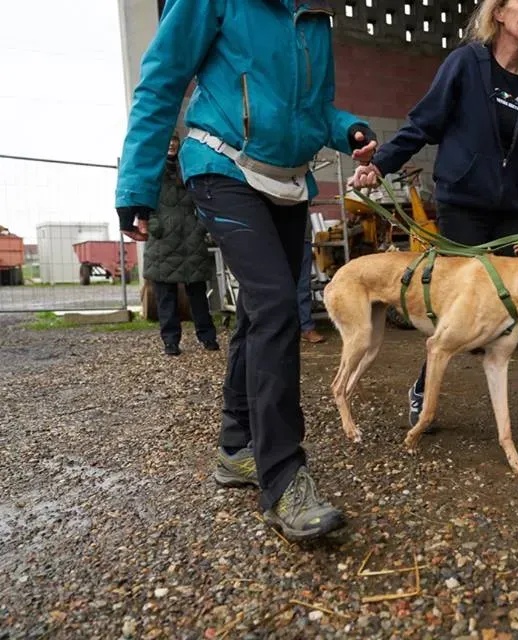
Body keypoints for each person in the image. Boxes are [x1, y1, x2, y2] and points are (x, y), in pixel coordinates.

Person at [114, 0, 377, 543]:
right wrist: (137, 183)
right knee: (279, 305)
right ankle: (283, 479)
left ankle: (236, 449)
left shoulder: (315, 17)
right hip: (221, 164)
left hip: (286, 180)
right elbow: (162, 80)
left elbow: (313, 110)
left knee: (262, 309)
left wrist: (348, 128)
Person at [349, 0, 518, 450]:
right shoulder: (465, 64)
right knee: (453, 310)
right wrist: (380, 165)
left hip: (516, 218)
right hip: (463, 208)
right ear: (498, 12)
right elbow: (422, 124)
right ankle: (422, 391)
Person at [144, 133, 220, 356]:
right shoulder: (152, 170)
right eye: (167, 139)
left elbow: (205, 197)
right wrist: (154, 224)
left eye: (174, 140)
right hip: (162, 240)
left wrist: (201, 226)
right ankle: (170, 341)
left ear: (179, 143)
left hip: (191, 237)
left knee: (197, 293)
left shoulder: (189, 167)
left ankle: (207, 337)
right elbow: (144, 200)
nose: (171, 143)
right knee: (165, 295)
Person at [298, 219, 326, 344]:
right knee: (278, 286)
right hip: (276, 237)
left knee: (303, 285)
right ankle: (280, 329)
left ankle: (307, 328)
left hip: (302, 236)